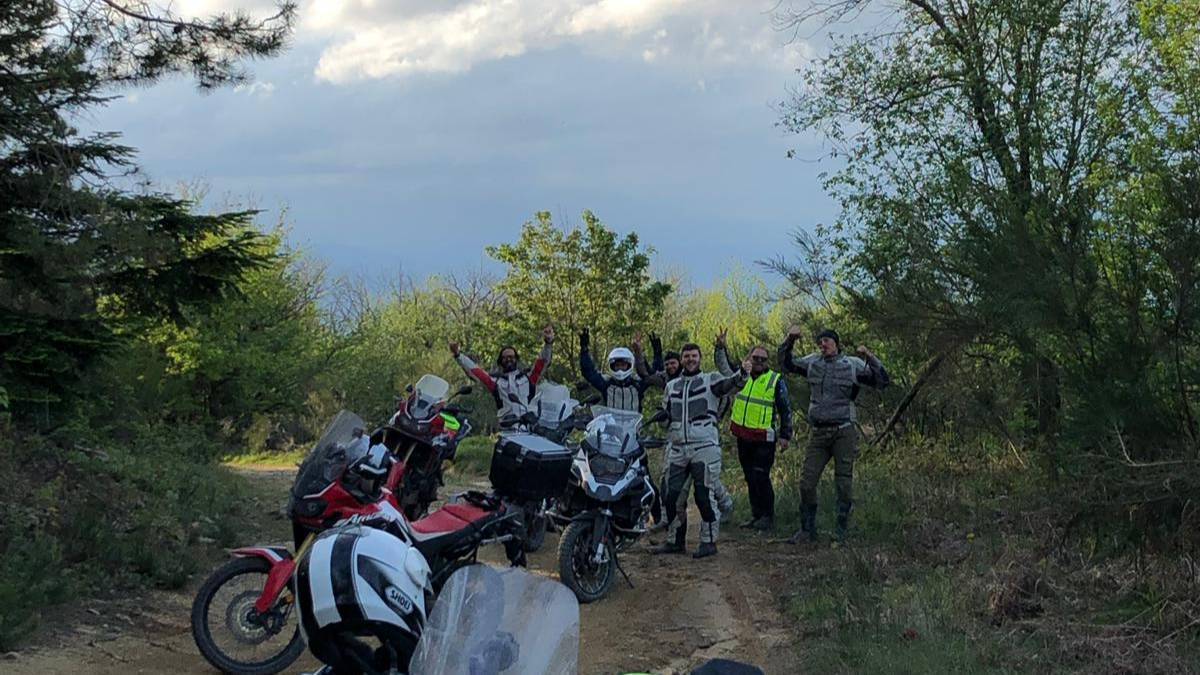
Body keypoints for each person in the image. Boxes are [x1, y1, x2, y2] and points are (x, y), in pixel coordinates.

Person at [778, 325, 889, 543]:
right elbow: (786, 364)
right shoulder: (812, 362)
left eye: (827, 341)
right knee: (807, 483)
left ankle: (841, 531)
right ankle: (807, 530)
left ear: (836, 344)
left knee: (844, 483)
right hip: (818, 433)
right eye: (820, 342)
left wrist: (870, 357)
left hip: (843, 432)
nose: (823, 344)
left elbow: (882, 381)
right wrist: (789, 340)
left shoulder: (852, 365)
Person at [654, 343, 749, 559]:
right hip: (678, 447)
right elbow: (666, 417)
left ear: (700, 357)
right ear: (681, 359)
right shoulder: (672, 386)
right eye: (686, 356)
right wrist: (662, 418)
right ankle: (675, 541)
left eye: (694, 355)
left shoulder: (711, 380)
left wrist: (743, 373)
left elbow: (732, 385)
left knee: (704, 494)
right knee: (671, 496)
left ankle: (708, 541)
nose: (690, 359)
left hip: (705, 446)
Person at [633, 335, 734, 529]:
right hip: (676, 438)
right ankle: (667, 523)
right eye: (669, 363)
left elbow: (725, 396)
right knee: (670, 485)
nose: (672, 366)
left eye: (673, 363)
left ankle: (725, 506)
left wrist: (714, 420)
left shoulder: (705, 380)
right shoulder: (667, 382)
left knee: (706, 482)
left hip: (702, 438)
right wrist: (639, 354)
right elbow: (645, 373)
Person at [715, 333, 792, 532]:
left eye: (762, 359)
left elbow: (785, 408)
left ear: (767, 361)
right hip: (743, 435)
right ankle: (756, 515)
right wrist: (721, 347)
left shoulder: (775, 380)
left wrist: (785, 435)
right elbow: (724, 364)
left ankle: (767, 516)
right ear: (749, 358)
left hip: (764, 438)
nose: (758, 362)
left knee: (761, 476)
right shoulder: (741, 374)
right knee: (749, 476)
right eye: (755, 358)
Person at [450, 325, 554, 427]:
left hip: (529, 427)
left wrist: (548, 343)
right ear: (500, 361)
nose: (508, 359)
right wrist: (458, 355)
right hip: (507, 429)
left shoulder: (528, 378)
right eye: (505, 357)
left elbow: (542, 362)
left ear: (516, 359)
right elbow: (475, 371)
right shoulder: (495, 382)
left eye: (511, 356)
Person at [578, 328, 659, 412]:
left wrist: (657, 354)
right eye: (617, 365)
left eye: (623, 365)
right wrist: (584, 350)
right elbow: (589, 373)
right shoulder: (606, 383)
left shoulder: (637, 383)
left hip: (634, 425)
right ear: (612, 366)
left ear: (629, 365)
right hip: (611, 424)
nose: (620, 368)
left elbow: (653, 375)